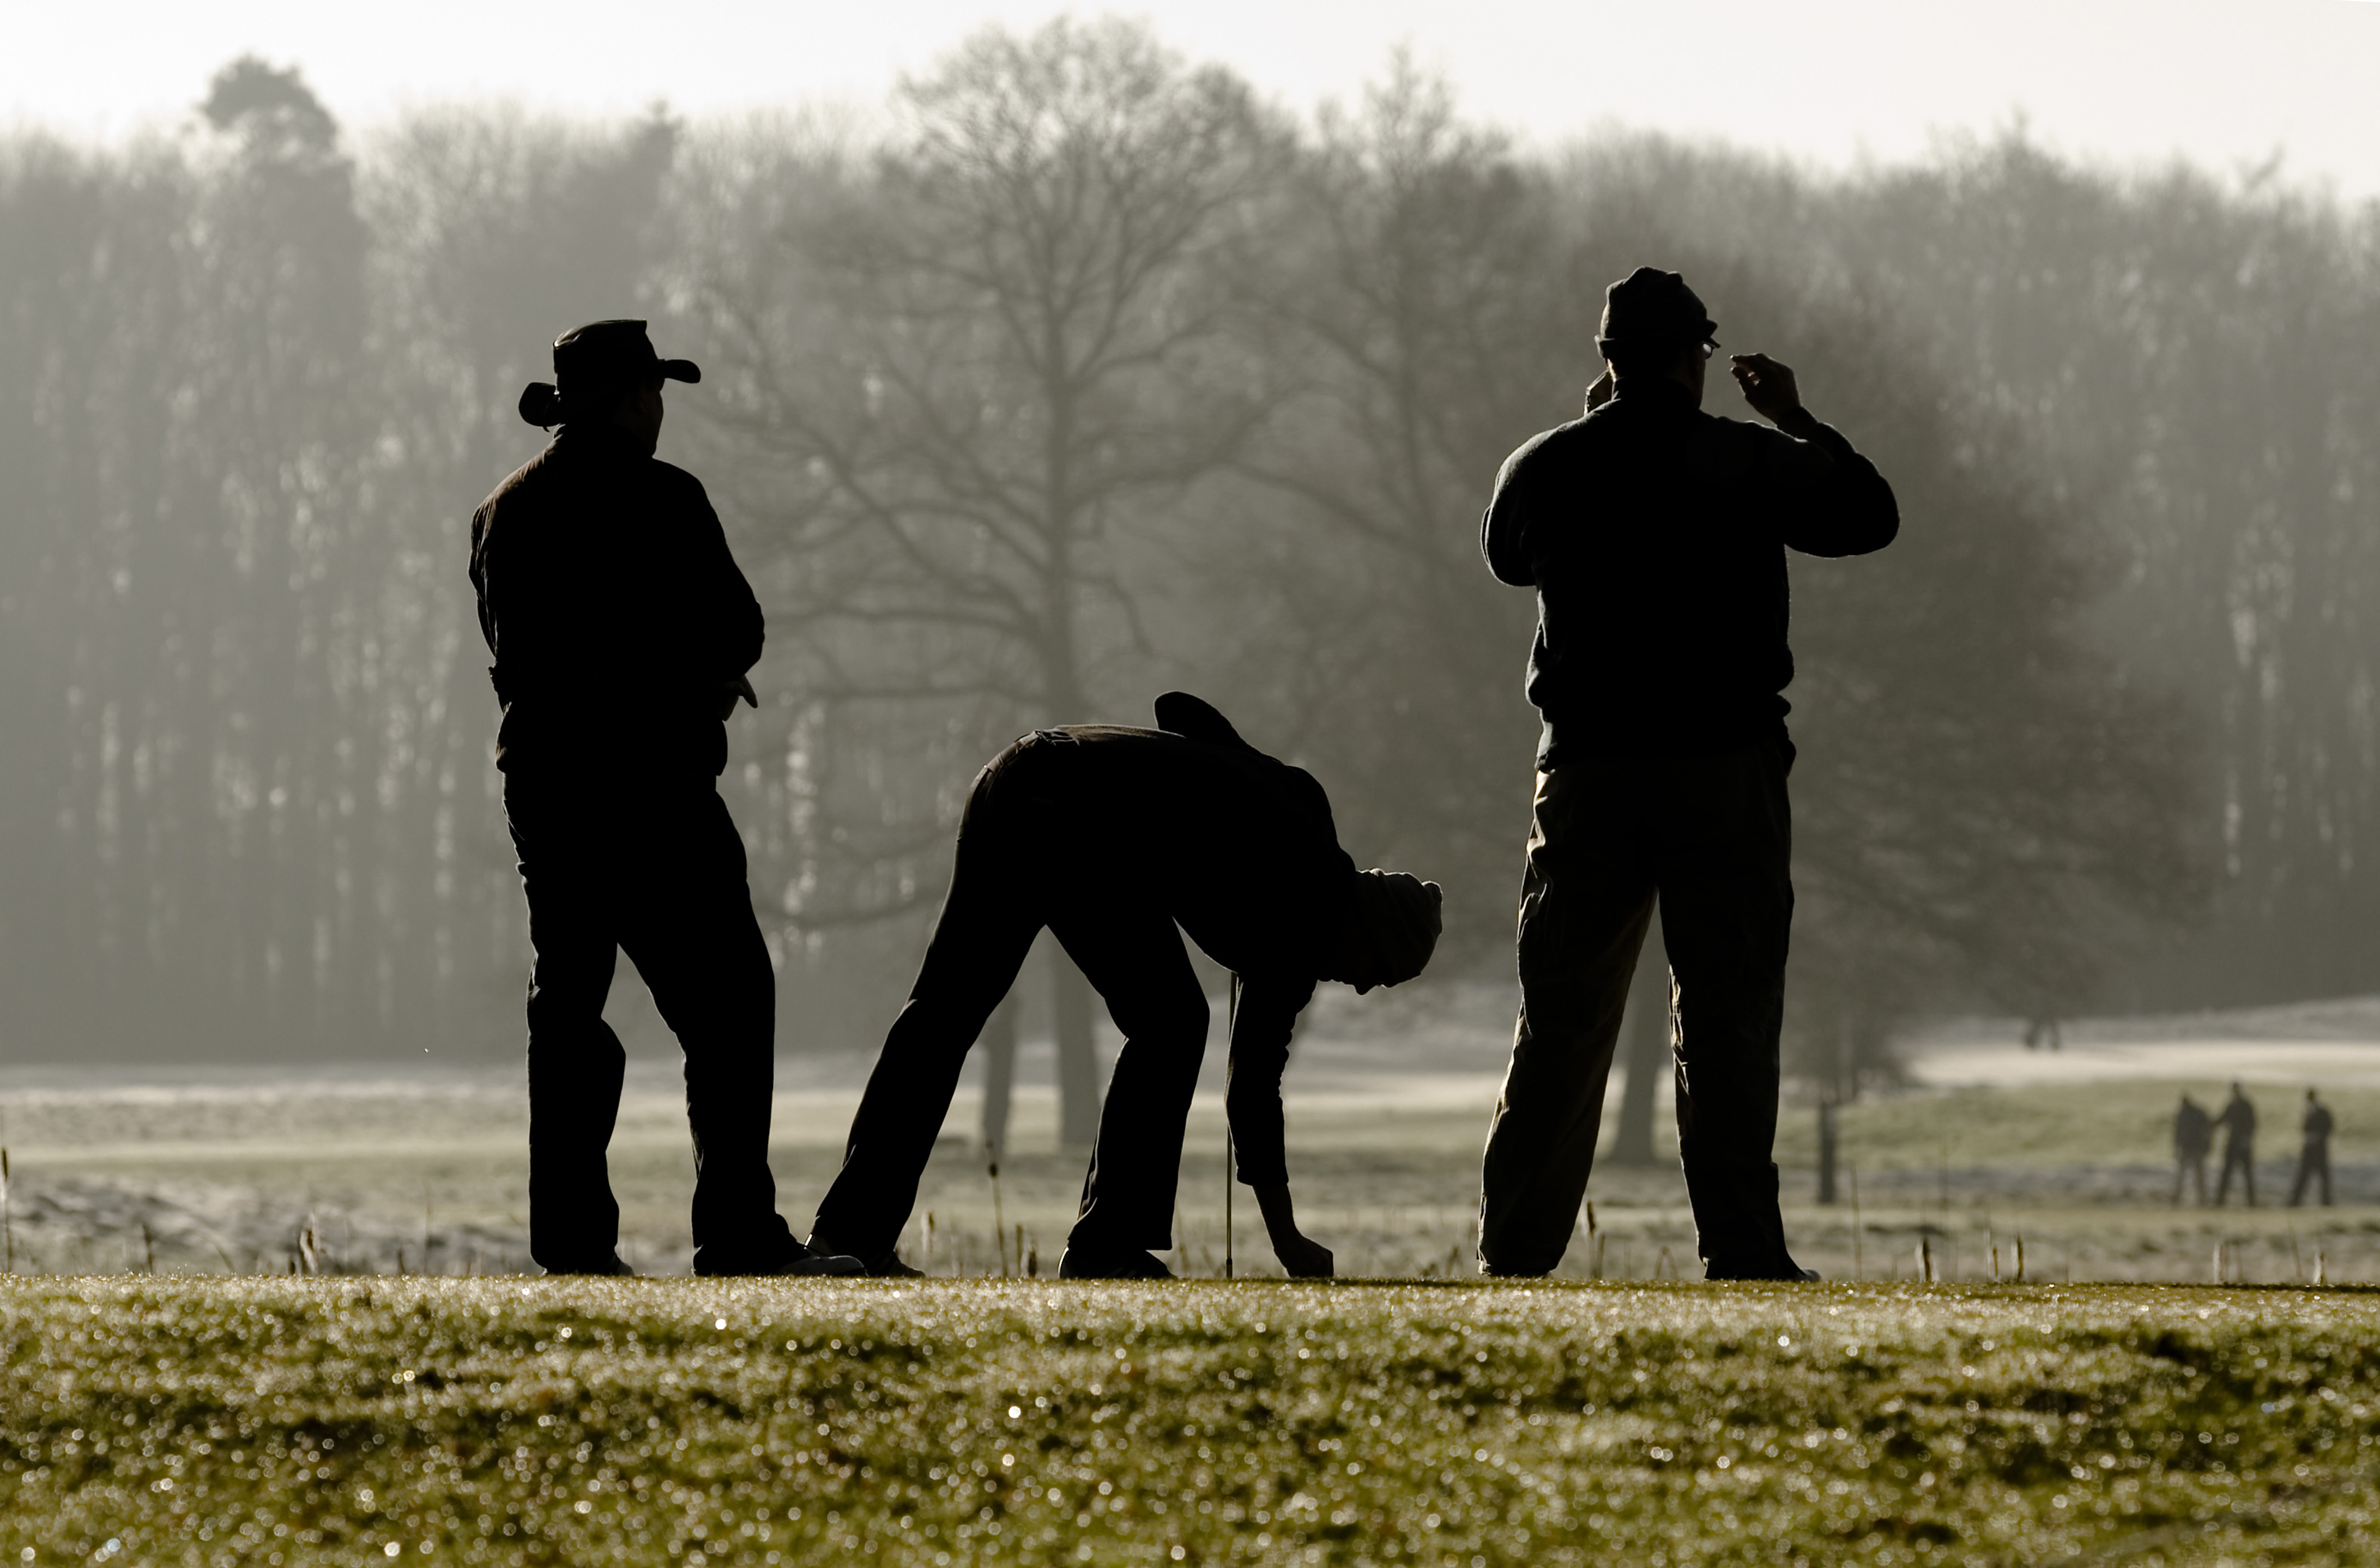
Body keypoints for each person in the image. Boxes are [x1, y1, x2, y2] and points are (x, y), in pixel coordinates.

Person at [1476, 266, 1899, 1281]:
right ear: (1693, 358)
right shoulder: (1742, 458)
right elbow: (1868, 515)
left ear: (1607, 360)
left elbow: (1506, 558)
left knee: (1562, 1014)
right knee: (1727, 1013)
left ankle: (1516, 1249)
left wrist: (1586, 429)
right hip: (1723, 770)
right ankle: (1741, 1246)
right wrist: (1795, 417)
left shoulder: (1543, 466)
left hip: (1586, 774)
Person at [470, 319, 859, 1279]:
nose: (659, 408)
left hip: (545, 786)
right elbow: (739, 626)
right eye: (652, 391)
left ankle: (571, 1242)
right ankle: (737, 1230)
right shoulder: (667, 497)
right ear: (624, 401)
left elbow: (517, 654)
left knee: (569, 1006)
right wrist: (694, 681)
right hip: (653, 786)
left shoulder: (499, 514)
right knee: (729, 1000)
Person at [807, 693, 1443, 1280]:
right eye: (1380, 973)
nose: (1364, 989)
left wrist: (1226, 774)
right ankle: (1106, 1245)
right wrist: (1287, 1242)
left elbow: (1179, 709)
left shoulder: (1301, 828)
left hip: (1016, 777)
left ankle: (849, 1235)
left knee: (942, 1014)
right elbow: (1251, 1091)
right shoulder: (1305, 912)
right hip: (1073, 814)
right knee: (1172, 1021)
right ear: (1371, 931)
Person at [2213, 1080, 2258, 1207]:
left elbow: (2252, 1123)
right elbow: (2222, 1120)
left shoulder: (2245, 1105)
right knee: (2227, 1174)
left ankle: (2251, 1202)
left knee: (2247, 1175)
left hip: (2242, 1144)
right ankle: (2220, 1201)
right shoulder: (2232, 1105)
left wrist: (2247, 1138)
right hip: (2232, 1143)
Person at [2290, 1088, 2334, 1208]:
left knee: (2323, 1178)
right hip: (2309, 1151)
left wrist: (2317, 1137)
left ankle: (2326, 1202)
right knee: (2303, 1177)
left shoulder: (2322, 1112)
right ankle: (2295, 1202)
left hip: (2319, 1150)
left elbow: (2328, 1128)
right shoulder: (2308, 1112)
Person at [2172, 1091, 2212, 1206]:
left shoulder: (2186, 1114)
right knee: (2192, 1175)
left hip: (2193, 1148)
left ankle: (2199, 1199)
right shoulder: (2195, 1113)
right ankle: (2199, 1199)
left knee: (2192, 1175)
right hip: (2190, 1148)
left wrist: (2176, 1147)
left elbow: (2177, 1133)